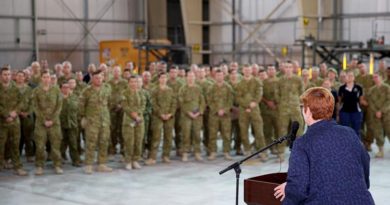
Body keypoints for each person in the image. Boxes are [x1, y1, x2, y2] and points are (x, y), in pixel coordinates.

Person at [274, 87, 374, 204]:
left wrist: (289, 192)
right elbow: (365, 161)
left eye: (303, 107)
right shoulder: (349, 133)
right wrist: (358, 187)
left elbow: (298, 189)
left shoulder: (303, 143)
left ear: (307, 111)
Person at [79, 70, 113, 174]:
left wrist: (106, 115)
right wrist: (83, 117)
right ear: (92, 79)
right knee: (91, 143)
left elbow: (110, 103)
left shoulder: (107, 89)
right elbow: (81, 106)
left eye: (100, 77)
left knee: (103, 142)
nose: (98, 79)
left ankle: (101, 164)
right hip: (91, 121)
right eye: (96, 78)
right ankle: (89, 164)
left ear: (103, 78)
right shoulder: (87, 91)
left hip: (104, 120)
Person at [31, 70, 63, 175]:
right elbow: (35, 107)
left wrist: (52, 120)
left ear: (50, 78)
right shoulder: (36, 91)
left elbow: (59, 106)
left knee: (56, 145)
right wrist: (43, 120)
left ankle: (57, 165)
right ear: (41, 78)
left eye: (48, 77)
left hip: (54, 122)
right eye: (44, 77)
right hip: (41, 123)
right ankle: (39, 166)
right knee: (40, 146)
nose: (46, 79)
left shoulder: (56, 90)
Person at [0, 67, 28, 176]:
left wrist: (14, 113)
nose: (7, 76)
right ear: (1, 76)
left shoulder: (15, 88)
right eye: (4, 74)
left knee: (15, 145)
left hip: (14, 122)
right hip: (2, 122)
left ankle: (17, 167)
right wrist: (6, 114)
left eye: (8, 74)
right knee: (1, 145)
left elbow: (21, 102)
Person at [207, 70, 234, 160]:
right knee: (213, 134)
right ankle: (213, 152)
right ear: (215, 76)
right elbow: (209, 101)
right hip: (214, 115)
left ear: (223, 76)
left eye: (221, 75)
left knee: (226, 134)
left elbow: (230, 101)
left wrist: (224, 110)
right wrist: (217, 110)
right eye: (217, 75)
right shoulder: (211, 88)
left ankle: (226, 152)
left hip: (225, 115)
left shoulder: (228, 88)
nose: (219, 77)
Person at [122, 76, 145, 170]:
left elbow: (143, 105)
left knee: (138, 141)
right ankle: (128, 161)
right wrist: (133, 115)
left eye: (135, 82)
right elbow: (125, 106)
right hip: (129, 120)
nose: (133, 83)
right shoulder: (124, 93)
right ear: (128, 83)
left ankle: (135, 160)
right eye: (131, 82)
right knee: (129, 141)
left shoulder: (141, 92)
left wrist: (138, 114)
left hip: (139, 120)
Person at [338, 70, 365, 138]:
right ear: (345, 77)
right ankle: (345, 147)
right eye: (348, 76)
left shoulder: (359, 88)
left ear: (354, 77)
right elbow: (339, 101)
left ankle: (356, 148)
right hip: (344, 112)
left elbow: (361, 101)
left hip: (356, 112)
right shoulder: (341, 88)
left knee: (356, 131)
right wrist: (337, 113)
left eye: (351, 76)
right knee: (345, 131)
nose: (349, 77)